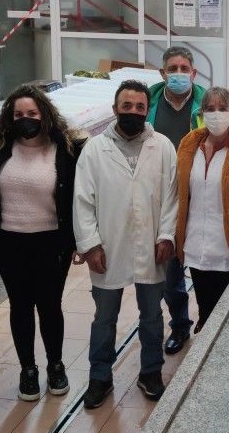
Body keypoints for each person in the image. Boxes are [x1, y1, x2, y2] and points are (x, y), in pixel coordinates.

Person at [75, 79, 178, 407]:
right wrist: (90, 244)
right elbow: (82, 200)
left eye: (139, 107)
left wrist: (167, 235)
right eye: (126, 106)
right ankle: (100, 376)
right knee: (104, 316)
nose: (132, 112)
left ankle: (151, 371)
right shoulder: (94, 148)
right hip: (109, 245)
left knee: (151, 314)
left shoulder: (162, 146)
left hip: (152, 245)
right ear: (115, 109)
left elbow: (172, 197)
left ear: (148, 110)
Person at [0, 84, 86, 402]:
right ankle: (27, 369)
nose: (25, 119)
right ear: (9, 117)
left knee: (49, 306)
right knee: (20, 307)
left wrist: (75, 240)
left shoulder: (65, 148)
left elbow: (76, 198)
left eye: (31, 113)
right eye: (18, 114)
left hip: (51, 243)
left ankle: (55, 366)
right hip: (9, 243)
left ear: (44, 114)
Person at [175, 87, 229, 332]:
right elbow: (180, 194)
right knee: (205, 310)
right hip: (196, 246)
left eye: (222, 109)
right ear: (202, 113)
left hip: (228, 248)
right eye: (210, 109)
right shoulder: (189, 147)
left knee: (226, 318)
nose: (216, 114)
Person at [147, 46, 205, 356]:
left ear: (194, 74)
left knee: (200, 265)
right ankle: (179, 326)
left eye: (185, 68)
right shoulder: (149, 104)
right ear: (163, 73)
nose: (179, 74)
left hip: (197, 199)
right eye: (173, 68)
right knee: (168, 272)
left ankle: (209, 322)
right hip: (160, 200)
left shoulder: (206, 106)